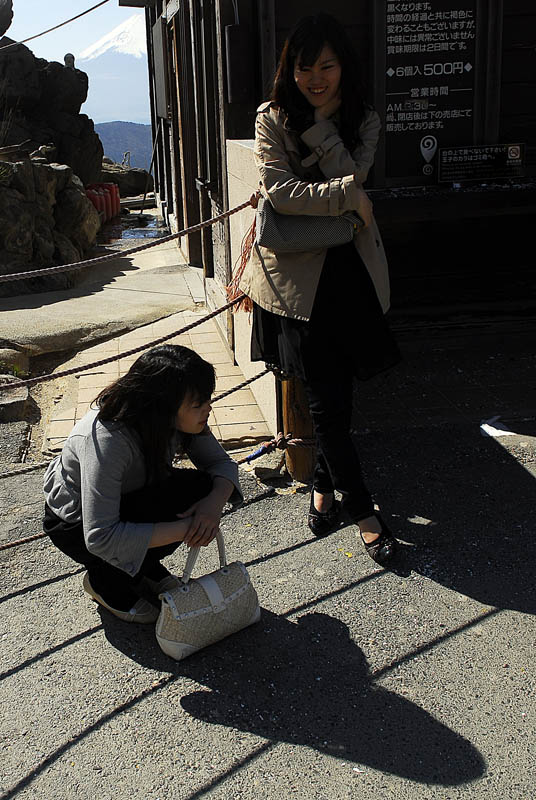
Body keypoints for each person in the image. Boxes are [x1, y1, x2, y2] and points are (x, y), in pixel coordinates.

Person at [239, 13, 400, 564]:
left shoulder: (365, 119)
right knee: (324, 402)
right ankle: (364, 512)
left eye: (326, 66)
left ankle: (324, 489)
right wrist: (347, 201)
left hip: (349, 275)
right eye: (305, 68)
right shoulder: (272, 116)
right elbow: (280, 193)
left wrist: (321, 133)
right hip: (297, 284)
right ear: (291, 68)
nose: (315, 78)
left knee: (341, 396)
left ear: (342, 67)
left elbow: (354, 177)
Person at [43, 345, 242, 623]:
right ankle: (105, 583)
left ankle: (143, 568)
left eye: (207, 399)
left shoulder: (173, 419)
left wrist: (211, 507)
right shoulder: (106, 440)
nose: (208, 408)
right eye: (198, 404)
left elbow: (222, 464)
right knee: (163, 515)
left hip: (131, 497)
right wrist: (188, 528)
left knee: (203, 488)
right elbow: (100, 535)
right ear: (163, 405)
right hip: (75, 522)